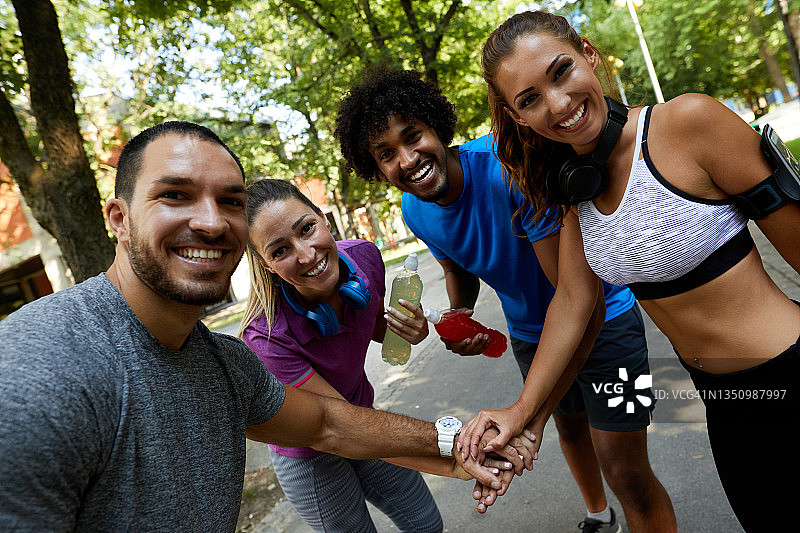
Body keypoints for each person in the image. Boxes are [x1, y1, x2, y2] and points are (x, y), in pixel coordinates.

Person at [0, 121, 512, 531]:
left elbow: (329, 422)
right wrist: (457, 443)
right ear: (118, 218)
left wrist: (461, 444)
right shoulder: (40, 369)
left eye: (230, 202)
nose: (210, 222)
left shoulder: (227, 367)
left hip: (359, 420)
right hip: (313, 459)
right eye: (174, 195)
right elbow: (327, 432)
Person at [463, 10, 800, 533]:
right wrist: (521, 411)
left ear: (588, 54)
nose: (558, 104)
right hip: (724, 401)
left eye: (561, 72)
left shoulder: (689, 122)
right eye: (529, 99)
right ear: (518, 117)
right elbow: (573, 301)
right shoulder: (576, 190)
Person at [335, 68, 676, 532]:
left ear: (437, 127)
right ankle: (599, 516)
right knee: (570, 427)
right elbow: (457, 268)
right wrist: (458, 317)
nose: (408, 159)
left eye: (413, 136)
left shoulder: (508, 169)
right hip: (529, 335)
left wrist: (527, 416)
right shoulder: (414, 209)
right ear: (376, 169)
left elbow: (579, 300)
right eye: (386, 154)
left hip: (605, 322)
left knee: (626, 470)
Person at [238, 178, 451, 532]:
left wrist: (409, 330)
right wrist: (452, 452)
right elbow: (336, 426)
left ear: (323, 218)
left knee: (426, 524)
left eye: (307, 229)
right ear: (266, 264)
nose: (307, 255)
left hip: (362, 416)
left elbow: (374, 326)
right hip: (311, 453)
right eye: (280, 251)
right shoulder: (266, 336)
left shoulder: (365, 257)